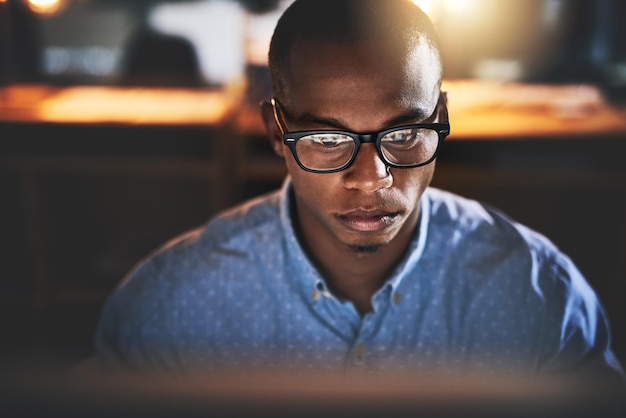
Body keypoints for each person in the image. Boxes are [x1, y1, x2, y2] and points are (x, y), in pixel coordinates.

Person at [94, 0, 623, 384]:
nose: (372, 179)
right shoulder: (172, 310)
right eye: (327, 138)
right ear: (278, 133)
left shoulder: (537, 296)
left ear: (440, 120)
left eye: (403, 134)